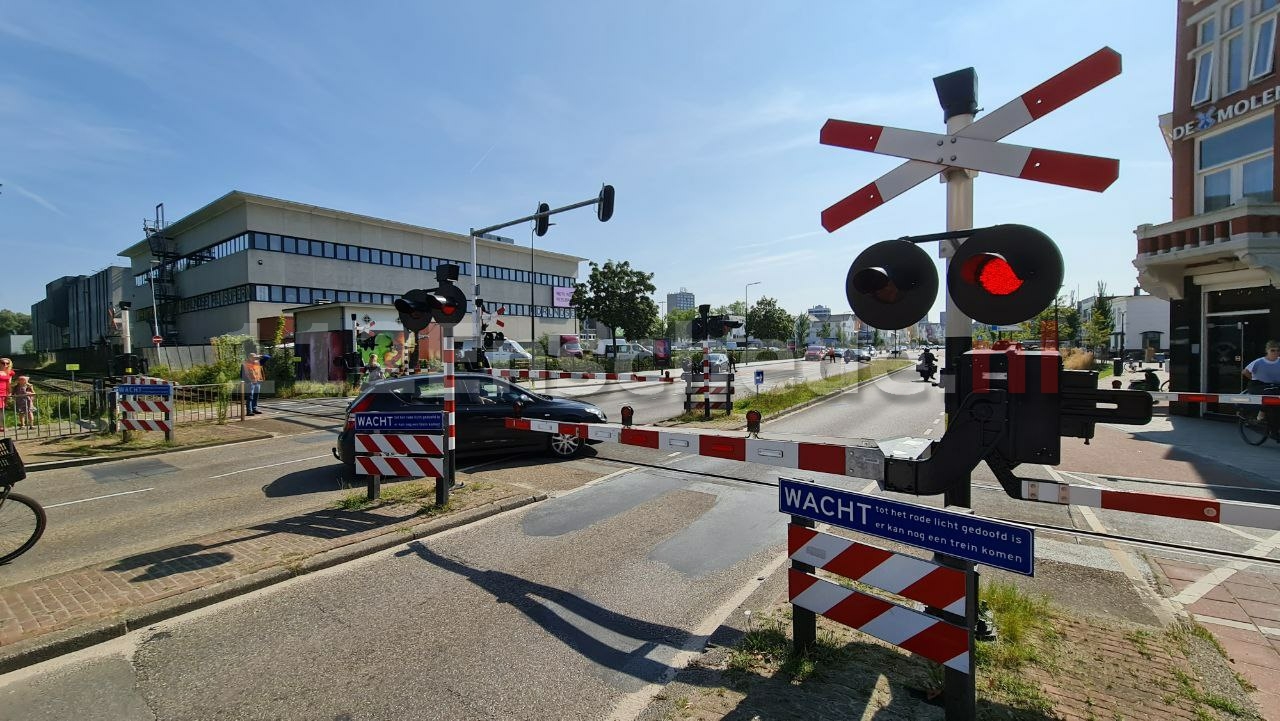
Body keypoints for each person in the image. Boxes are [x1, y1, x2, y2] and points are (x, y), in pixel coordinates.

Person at [1242, 340, 1280, 437]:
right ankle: (1265, 420)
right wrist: (1254, 378)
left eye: (1277, 351)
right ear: (1267, 351)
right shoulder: (1259, 362)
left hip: (1274, 385)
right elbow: (1245, 372)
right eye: (1272, 350)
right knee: (1271, 398)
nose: (1275, 353)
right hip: (1258, 385)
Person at [0, 358, 15, 433]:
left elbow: (9, 383)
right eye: (3, 363)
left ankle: (2, 426)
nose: (5, 365)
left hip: (4, 393)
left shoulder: (9, 372)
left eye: (7, 363)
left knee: (2, 410)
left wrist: (10, 393)